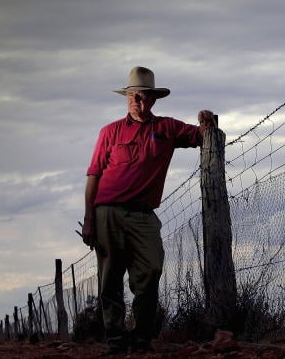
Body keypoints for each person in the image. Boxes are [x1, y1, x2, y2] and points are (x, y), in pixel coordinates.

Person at [81, 66, 215, 354]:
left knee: (151, 269)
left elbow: (201, 135)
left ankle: (142, 336)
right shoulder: (110, 132)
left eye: (142, 97)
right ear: (126, 97)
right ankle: (116, 338)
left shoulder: (166, 128)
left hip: (143, 215)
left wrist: (208, 121)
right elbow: (93, 175)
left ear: (153, 99)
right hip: (107, 212)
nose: (136, 102)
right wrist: (89, 218)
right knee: (110, 277)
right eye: (132, 96)